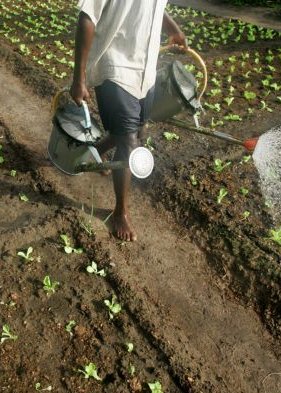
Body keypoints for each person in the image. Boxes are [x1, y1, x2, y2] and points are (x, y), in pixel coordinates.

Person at [70, 0, 187, 242]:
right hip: (115, 65)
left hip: (145, 70)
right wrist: (78, 77)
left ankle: (95, 152)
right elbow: (88, 16)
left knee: (134, 132)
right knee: (129, 142)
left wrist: (173, 29)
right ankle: (120, 212)